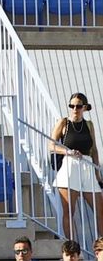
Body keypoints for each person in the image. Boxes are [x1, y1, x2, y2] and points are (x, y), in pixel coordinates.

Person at [52, 92, 101, 243]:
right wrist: (68, 151)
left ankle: (101, 246)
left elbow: (94, 150)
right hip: (69, 166)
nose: (75, 109)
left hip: (87, 166)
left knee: (100, 210)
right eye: (71, 105)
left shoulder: (89, 124)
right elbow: (51, 145)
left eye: (78, 106)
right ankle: (73, 248)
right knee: (69, 211)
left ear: (84, 108)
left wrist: (97, 174)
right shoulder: (64, 123)